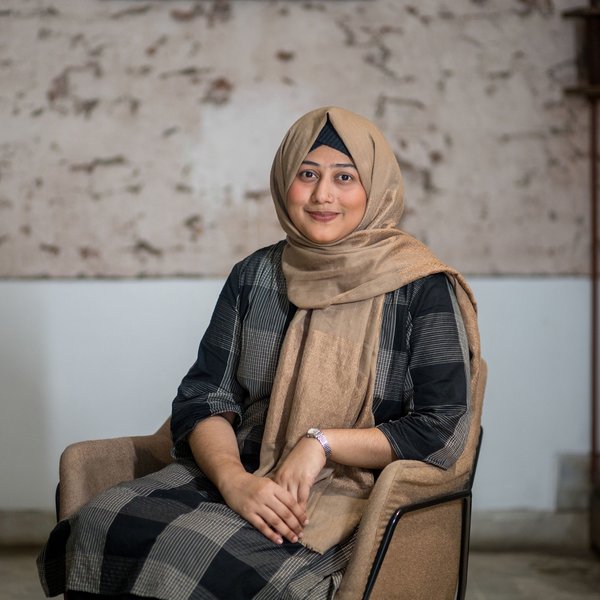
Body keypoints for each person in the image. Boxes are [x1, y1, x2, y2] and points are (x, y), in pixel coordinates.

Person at [37, 106, 479, 599]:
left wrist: (320, 444)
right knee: (100, 525)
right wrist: (234, 482)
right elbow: (205, 398)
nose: (322, 195)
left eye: (344, 177)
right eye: (307, 174)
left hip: (345, 493)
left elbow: (440, 427)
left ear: (375, 188)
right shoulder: (255, 276)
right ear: (283, 181)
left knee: (201, 562)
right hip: (237, 471)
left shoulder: (421, 288)